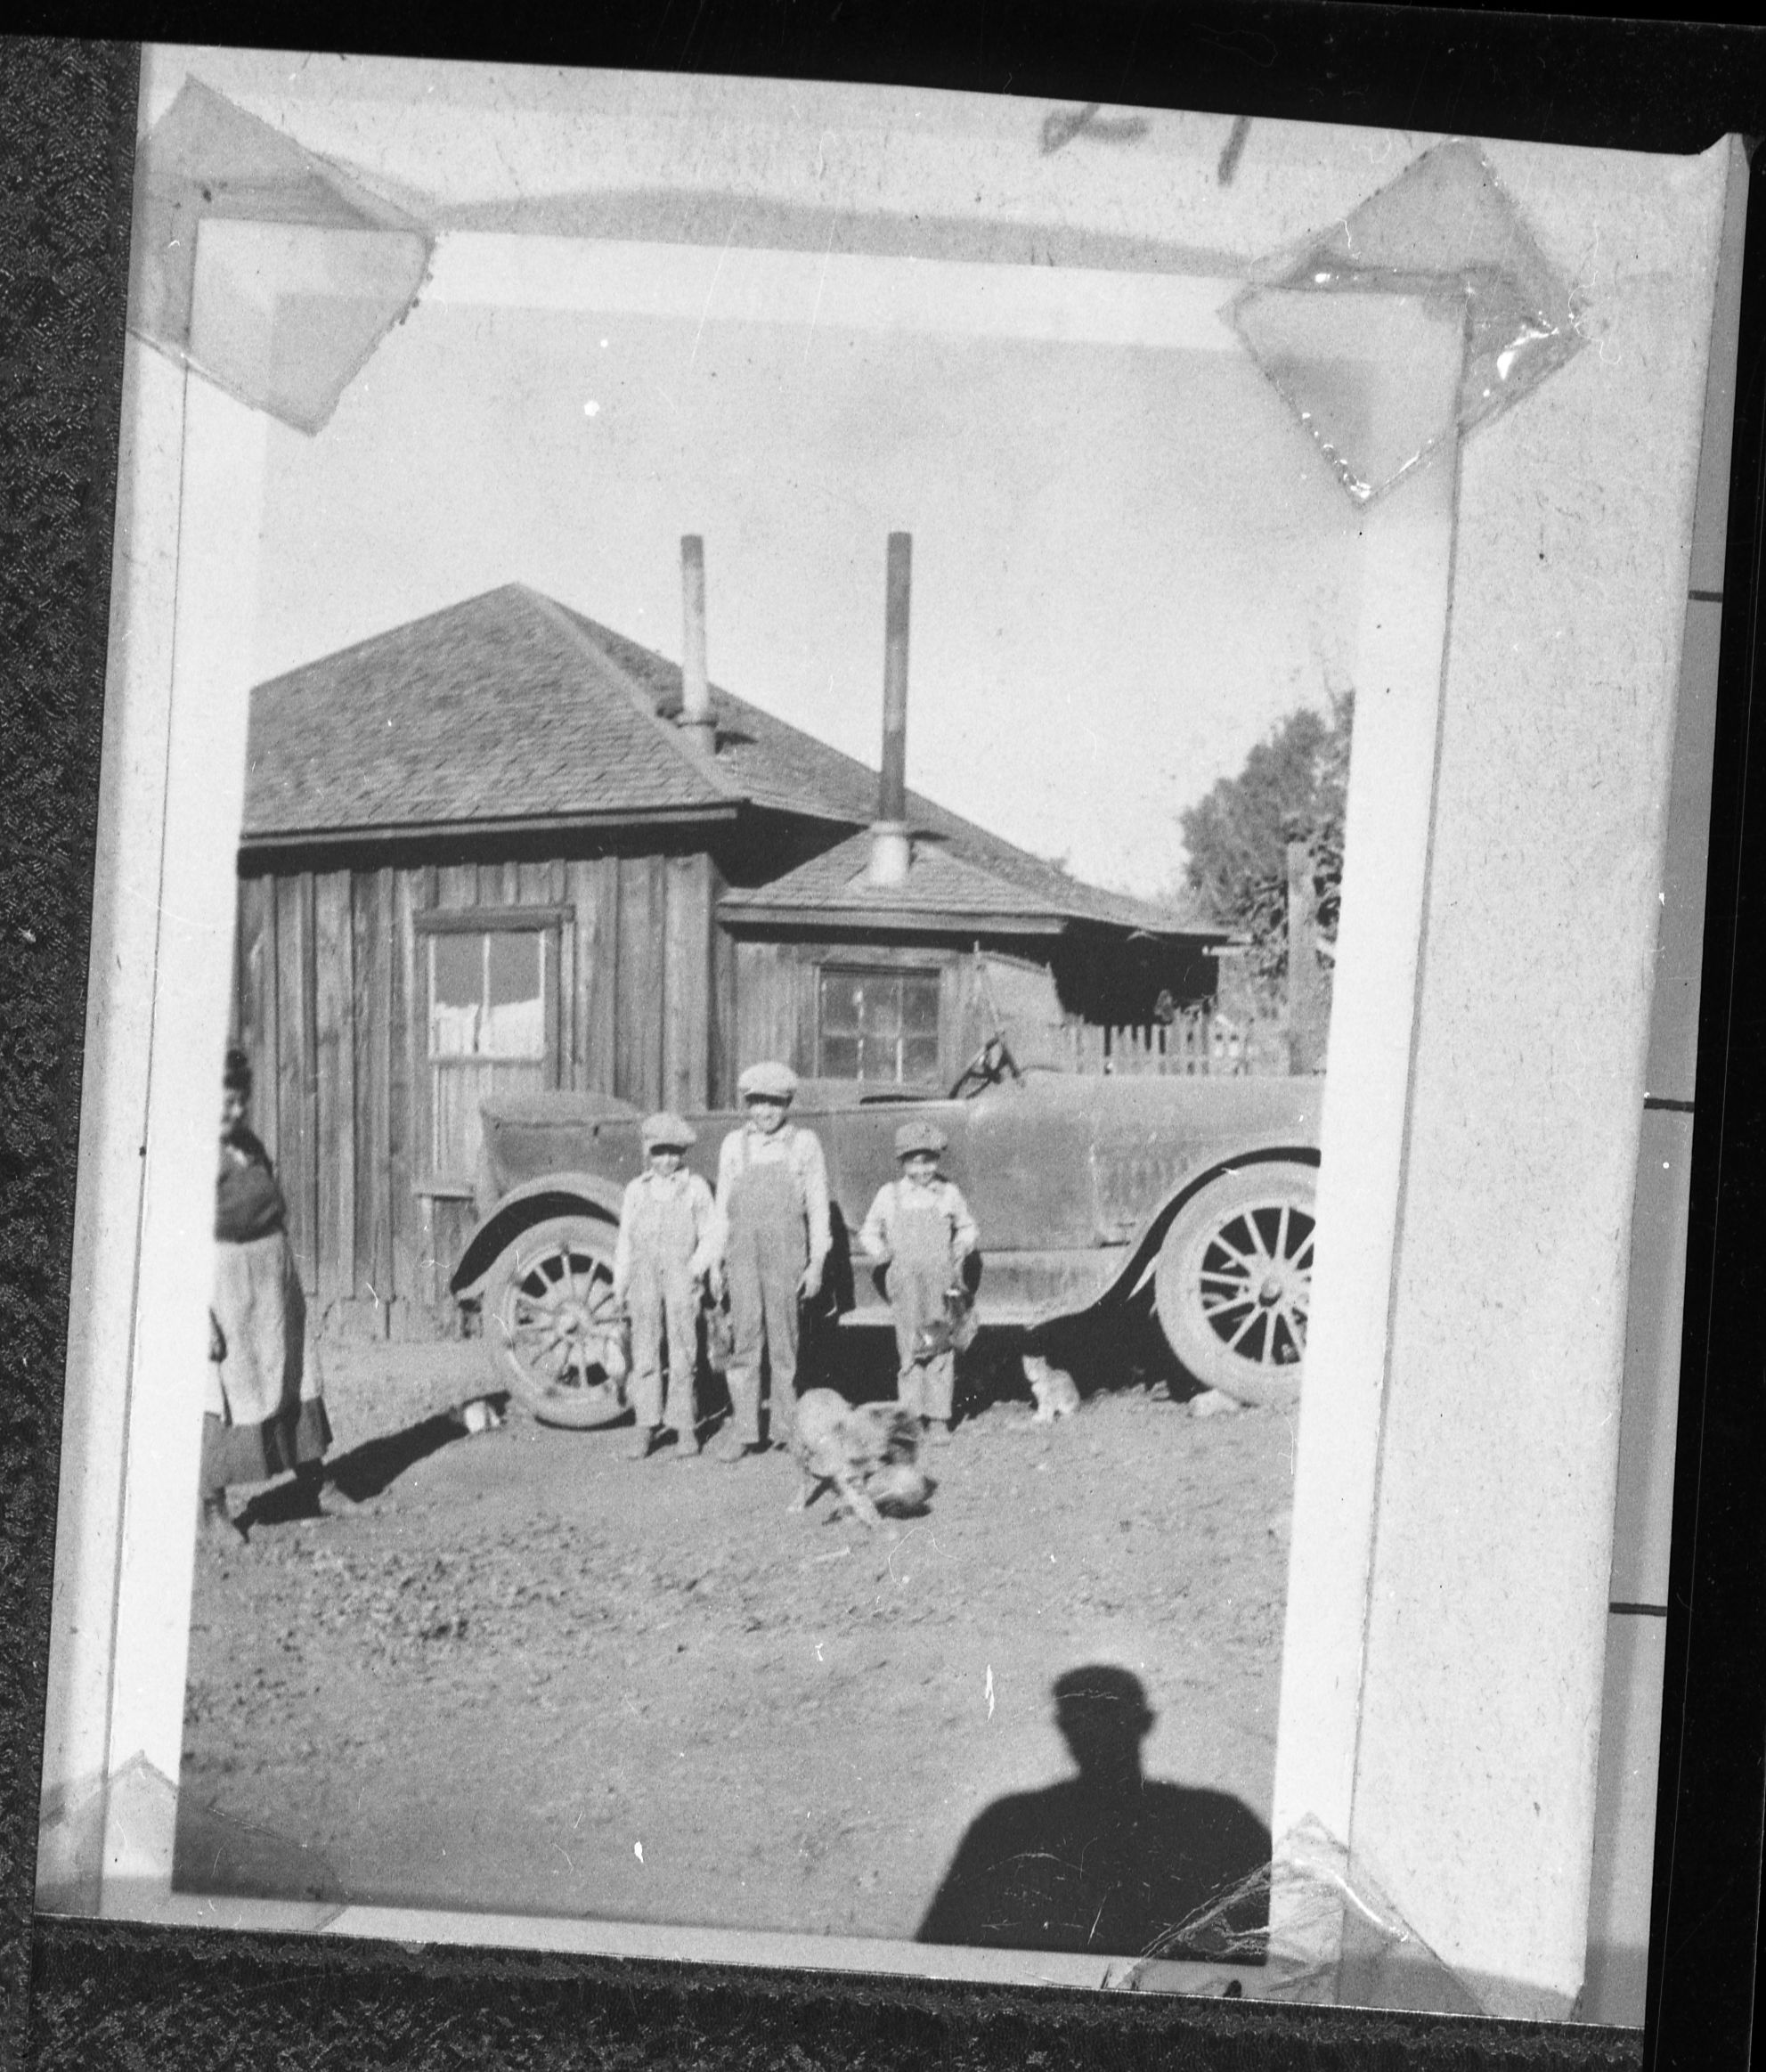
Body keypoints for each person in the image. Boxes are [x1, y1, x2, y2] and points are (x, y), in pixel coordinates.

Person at [201, 1047, 330, 1536]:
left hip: (272, 1287)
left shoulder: (248, 1146)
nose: (235, 1113)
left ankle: (316, 1484)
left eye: (240, 1103)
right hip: (224, 1288)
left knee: (295, 1376)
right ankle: (213, 1512)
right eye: (225, 1103)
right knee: (223, 1394)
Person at [706, 1061, 830, 1463]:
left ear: (787, 1103)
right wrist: (714, 1262)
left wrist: (815, 1264)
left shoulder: (805, 1144)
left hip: (787, 1257)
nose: (765, 1112)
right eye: (757, 1103)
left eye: (774, 1103)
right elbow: (722, 1211)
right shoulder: (732, 1146)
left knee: (784, 1344)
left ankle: (785, 1430)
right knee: (745, 1342)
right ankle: (745, 1431)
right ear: (747, 1104)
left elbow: (818, 1208)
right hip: (741, 1255)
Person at [859, 1120, 979, 1446]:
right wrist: (880, 1252)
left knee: (938, 1345)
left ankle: (939, 1418)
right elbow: (868, 1232)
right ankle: (911, 1420)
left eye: (928, 1160)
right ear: (902, 1162)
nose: (922, 1168)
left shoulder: (948, 1194)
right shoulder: (890, 1195)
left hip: (940, 1282)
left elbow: (968, 1228)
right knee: (910, 1349)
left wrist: (961, 1245)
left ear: (936, 1161)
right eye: (914, 1161)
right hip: (906, 1283)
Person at [611, 1111, 718, 1462]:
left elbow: (712, 1235)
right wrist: (619, 1284)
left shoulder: (695, 1188)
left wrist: (695, 1269)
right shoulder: (636, 1191)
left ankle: (684, 1425)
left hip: (680, 1278)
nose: (667, 1160)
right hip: (643, 1279)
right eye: (659, 1152)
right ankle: (646, 1424)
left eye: (673, 1152)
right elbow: (625, 1240)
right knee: (644, 1350)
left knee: (684, 1349)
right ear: (648, 1153)